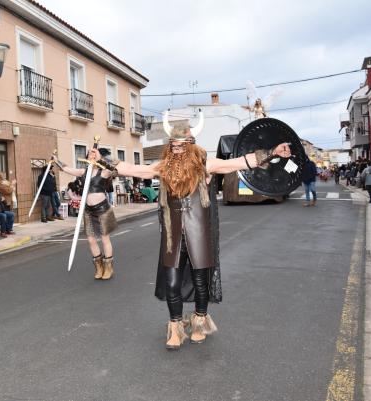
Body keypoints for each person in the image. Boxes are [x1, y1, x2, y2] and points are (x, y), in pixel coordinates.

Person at [89, 115, 291, 349]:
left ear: (191, 144)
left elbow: (238, 162)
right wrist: (103, 160)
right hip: (172, 233)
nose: (176, 149)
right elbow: (135, 169)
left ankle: (199, 323)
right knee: (172, 282)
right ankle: (175, 328)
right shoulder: (163, 167)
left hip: (199, 230)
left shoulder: (206, 163)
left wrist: (272, 152)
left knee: (200, 281)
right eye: (173, 145)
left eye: (181, 145)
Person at [52, 148, 119, 280]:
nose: (92, 156)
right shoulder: (83, 172)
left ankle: (108, 268)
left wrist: (101, 159)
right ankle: (99, 267)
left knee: (105, 239)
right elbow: (66, 168)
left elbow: (114, 168)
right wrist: (56, 160)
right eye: (90, 154)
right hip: (88, 210)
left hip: (102, 209)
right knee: (91, 239)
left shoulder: (103, 172)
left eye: (94, 154)